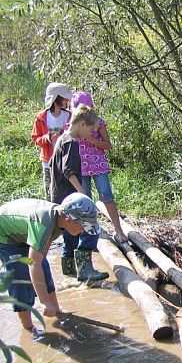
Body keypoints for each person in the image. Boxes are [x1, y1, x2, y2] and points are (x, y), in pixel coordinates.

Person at [0, 193, 101, 331]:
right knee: (20, 279)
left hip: (24, 231)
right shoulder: (44, 224)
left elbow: (41, 258)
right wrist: (44, 301)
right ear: (69, 219)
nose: (83, 230)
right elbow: (33, 263)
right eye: (83, 226)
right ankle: (28, 327)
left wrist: (41, 274)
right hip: (4, 235)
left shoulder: (60, 222)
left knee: (44, 270)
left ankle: (57, 312)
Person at [49, 104, 109, 282]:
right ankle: (85, 270)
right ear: (82, 124)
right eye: (90, 129)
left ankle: (69, 271)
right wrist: (82, 193)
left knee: (70, 235)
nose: (90, 134)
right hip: (71, 198)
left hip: (60, 197)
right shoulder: (71, 142)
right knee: (91, 229)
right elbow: (69, 171)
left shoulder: (61, 139)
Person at [70, 91, 127, 243]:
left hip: (98, 165)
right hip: (80, 167)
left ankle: (119, 230)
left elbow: (108, 145)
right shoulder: (70, 125)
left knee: (106, 195)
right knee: (85, 199)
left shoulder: (98, 122)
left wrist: (90, 139)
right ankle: (88, 235)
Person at [31, 82, 73, 201]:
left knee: (66, 190)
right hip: (48, 160)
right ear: (56, 98)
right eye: (64, 98)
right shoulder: (42, 117)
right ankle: (51, 216)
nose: (67, 101)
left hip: (65, 160)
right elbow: (36, 138)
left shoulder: (69, 115)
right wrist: (47, 138)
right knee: (50, 191)